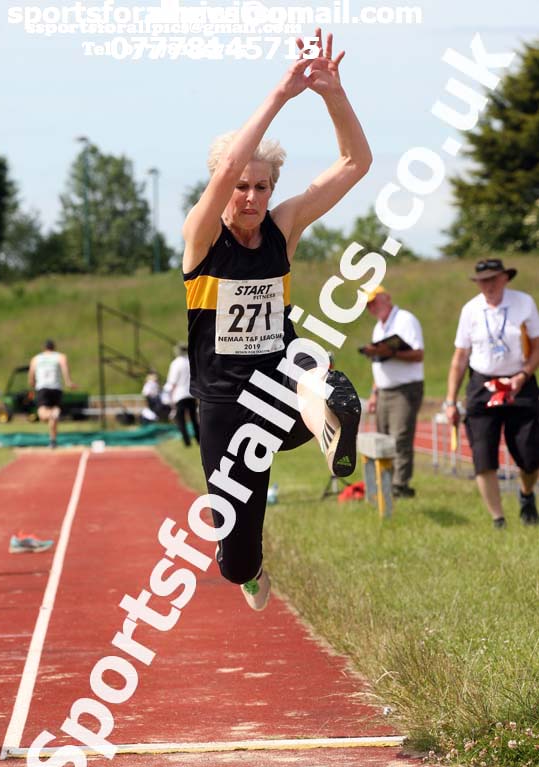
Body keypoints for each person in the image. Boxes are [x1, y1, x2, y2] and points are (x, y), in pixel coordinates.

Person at [182, 30, 372, 611]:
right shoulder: (202, 237)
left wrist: (332, 93)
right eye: (241, 186)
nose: (251, 196)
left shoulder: (284, 228)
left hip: (280, 376)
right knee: (237, 557)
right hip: (222, 401)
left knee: (319, 379)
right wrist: (282, 93)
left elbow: (355, 162)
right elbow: (230, 166)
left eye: (262, 187)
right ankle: (249, 566)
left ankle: (325, 412)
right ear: (224, 188)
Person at [445, 259, 539, 528]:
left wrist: (523, 376)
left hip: (520, 383)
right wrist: (450, 401)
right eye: (482, 280)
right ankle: (498, 518)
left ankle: (526, 494)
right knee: (483, 456)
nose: (488, 285)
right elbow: (460, 357)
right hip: (482, 385)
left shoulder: (524, 303)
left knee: (531, 455)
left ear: (505, 278)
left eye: (493, 279)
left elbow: (536, 347)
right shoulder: (471, 310)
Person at [362, 286, 424, 498]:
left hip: (405, 388)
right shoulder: (379, 327)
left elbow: (418, 354)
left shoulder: (405, 320)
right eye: (368, 305)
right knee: (384, 438)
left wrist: (391, 352)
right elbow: (378, 365)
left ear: (386, 298)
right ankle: (387, 482)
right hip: (384, 390)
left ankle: (400, 485)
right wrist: (373, 393)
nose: (372, 307)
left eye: (374, 301)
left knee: (400, 437)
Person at [28, 339, 75, 448]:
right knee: (53, 416)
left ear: (44, 348)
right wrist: (68, 382)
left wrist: (32, 383)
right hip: (56, 389)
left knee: (42, 415)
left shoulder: (36, 358)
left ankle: (52, 416)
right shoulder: (60, 356)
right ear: (54, 347)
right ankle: (53, 440)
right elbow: (65, 368)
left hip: (43, 388)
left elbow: (31, 374)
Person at [166, 343, 200, 446]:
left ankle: (186, 442)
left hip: (179, 395)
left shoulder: (175, 363)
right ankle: (198, 440)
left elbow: (172, 382)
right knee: (194, 419)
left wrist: (170, 398)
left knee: (181, 420)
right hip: (191, 393)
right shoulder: (191, 361)